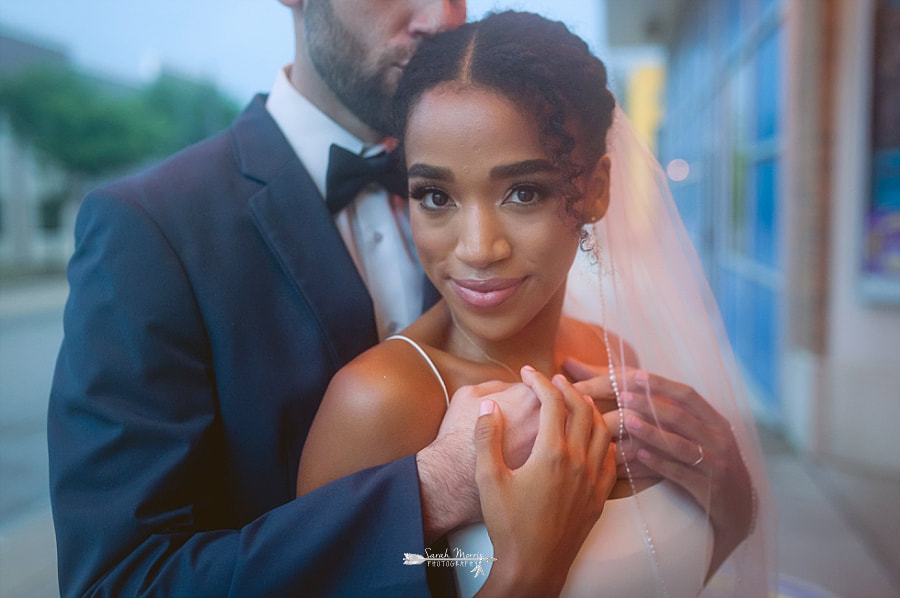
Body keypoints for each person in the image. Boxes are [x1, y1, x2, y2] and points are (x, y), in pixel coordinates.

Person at [47, 1, 613, 596]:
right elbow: (117, 581)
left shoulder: (476, 157)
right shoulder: (151, 225)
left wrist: (716, 476)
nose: (439, 18)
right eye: (436, 196)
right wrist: (433, 490)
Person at [297, 11, 776, 597]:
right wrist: (528, 570)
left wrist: (728, 496)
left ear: (597, 190)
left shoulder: (607, 355)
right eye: (436, 196)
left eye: (524, 192)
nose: (477, 248)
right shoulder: (380, 405)